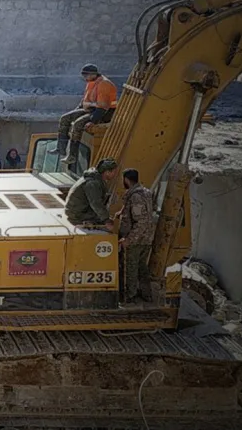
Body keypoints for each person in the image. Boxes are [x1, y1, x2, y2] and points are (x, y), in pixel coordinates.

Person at [50, 64, 118, 164]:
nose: (85, 78)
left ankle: (72, 156)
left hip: (104, 113)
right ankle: (61, 148)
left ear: (93, 74)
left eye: (86, 75)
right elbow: (85, 100)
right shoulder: (91, 82)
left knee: (78, 124)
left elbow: (103, 107)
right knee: (65, 118)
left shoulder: (104, 84)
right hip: (91, 109)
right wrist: (75, 112)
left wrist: (93, 121)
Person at [118, 168, 156, 304]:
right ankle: (146, 294)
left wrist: (129, 239)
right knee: (142, 267)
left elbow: (141, 221)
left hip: (137, 240)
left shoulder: (135, 197)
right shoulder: (146, 192)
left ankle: (130, 296)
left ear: (126, 180)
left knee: (131, 268)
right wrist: (122, 213)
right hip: (147, 238)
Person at [65, 158, 119, 228]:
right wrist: (106, 220)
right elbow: (96, 203)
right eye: (114, 172)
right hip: (76, 215)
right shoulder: (92, 183)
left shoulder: (95, 178)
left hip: (78, 210)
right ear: (107, 172)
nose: (115, 174)